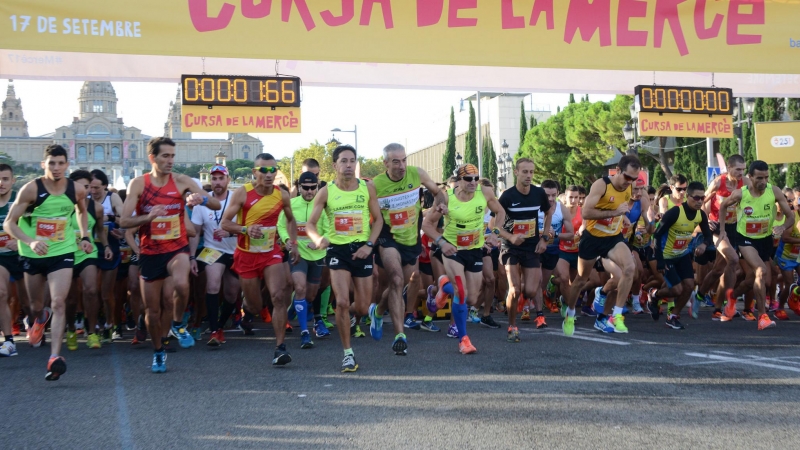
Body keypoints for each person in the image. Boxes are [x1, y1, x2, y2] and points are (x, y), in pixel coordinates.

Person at [120, 137, 221, 373]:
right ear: (152, 158)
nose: (170, 161)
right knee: (152, 312)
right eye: (165, 156)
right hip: (150, 252)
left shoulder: (182, 181)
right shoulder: (138, 184)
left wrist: (201, 199)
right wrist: (148, 217)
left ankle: (177, 324)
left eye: (173, 156)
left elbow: (215, 204)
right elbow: (124, 221)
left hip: (177, 248)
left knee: (181, 283)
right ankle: (158, 351)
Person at [4, 144, 94, 380]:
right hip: (33, 254)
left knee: (58, 302)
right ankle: (37, 319)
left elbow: (82, 212)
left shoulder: (76, 189)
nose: (56, 168)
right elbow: (9, 223)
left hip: (62, 251)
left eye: (61, 163)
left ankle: (54, 357)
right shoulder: (31, 190)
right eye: (51, 163)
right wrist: (31, 241)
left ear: (67, 164)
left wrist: (84, 236)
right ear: (43, 164)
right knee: (35, 305)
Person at [306, 145, 384, 372]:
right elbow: (310, 224)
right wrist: (318, 238)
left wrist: (369, 245)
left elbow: (378, 220)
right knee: (341, 301)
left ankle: (367, 312)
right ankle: (348, 354)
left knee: (360, 307)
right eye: (344, 161)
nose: (349, 165)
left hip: (362, 249)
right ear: (335, 165)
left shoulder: (367, 188)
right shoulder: (326, 191)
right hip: (337, 251)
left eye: (352, 161)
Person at [221, 153, 299, 365]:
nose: (269, 174)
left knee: (279, 296)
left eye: (273, 170)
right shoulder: (242, 193)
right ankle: (248, 308)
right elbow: (225, 224)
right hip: (246, 255)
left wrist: (293, 243)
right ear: (255, 173)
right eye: (263, 170)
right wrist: (245, 229)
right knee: (255, 306)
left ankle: (280, 347)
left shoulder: (281, 195)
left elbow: (291, 220)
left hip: (270, 252)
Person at [371, 143, 447, 355]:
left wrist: (440, 204)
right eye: (396, 161)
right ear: (385, 163)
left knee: (403, 283)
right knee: (395, 279)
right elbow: (372, 217)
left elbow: (439, 193)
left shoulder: (417, 174)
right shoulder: (375, 185)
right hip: (388, 238)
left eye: (404, 160)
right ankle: (399, 335)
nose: (402, 165)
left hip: (411, 240)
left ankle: (378, 311)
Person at [422, 164, 505, 353]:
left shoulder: (484, 193)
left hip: (474, 249)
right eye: (468, 179)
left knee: (471, 297)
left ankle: (443, 287)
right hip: (453, 250)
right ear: (458, 180)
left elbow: (500, 212)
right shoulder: (446, 198)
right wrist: (442, 243)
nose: (473, 182)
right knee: (461, 290)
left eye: (476, 178)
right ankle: (464, 340)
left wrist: (495, 233)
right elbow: (427, 225)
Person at [561, 155, 642, 336]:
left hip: (612, 238)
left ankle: (616, 315)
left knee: (629, 270)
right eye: (627, 177)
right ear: (618, 171)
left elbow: (621, 210)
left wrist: (624, 218)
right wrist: (615, 212)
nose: (629, 182)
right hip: (592, 238)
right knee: (581, 280)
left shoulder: (629, 188)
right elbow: (587, 213)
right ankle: (570, 312)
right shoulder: (601, 185)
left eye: (634, 179)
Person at [719, 160, 795, 330]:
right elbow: (723, 206)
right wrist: (722, 230)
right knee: (761, 271)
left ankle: (732, 298)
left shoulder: (774, 191)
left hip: (765, 239)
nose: (763, 181)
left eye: (766, 177)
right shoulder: (741, 194)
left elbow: (790, 216)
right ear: (750, 177)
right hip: (745, 239)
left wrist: (782, 227)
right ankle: (762, 316)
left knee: (754, 279)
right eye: (759, 178)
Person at [496, 159, 551, 342]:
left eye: (531, 172)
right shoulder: (507, 196)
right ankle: (512, 326)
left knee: (529, 290)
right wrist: (511, 236)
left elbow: (548, 212)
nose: (529, 176)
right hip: (511, 247)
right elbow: (495, 226)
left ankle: (518, 300)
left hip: (531, 246)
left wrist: (544, 237)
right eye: (525, 172)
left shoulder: (538, 193)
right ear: (516, 172)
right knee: (515, 289)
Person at [649, 182, 714, 330]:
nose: (699, 201)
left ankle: (673, 316)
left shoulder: (701, 215)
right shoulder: (675, 213)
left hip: (683, 254)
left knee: (690, 286)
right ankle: (654, 295)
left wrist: (704, 244)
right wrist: (659, 260)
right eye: (696, 198)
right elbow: (657, 235)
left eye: (702, 198)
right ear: (688, 197)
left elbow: (708, 235)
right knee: (677, 290)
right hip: (666, 255)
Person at [189, 164, 240, 347]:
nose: (217, 182)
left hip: (235, 250)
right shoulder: (203, 202)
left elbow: (247, 227)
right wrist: (192, 257)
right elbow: (195, 232)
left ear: (228, 180)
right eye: (214, 179)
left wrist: (230, 233)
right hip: (213, 249)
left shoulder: (237, 199)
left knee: (232, 293)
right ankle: (213, 330)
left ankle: (220, 325)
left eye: (221, 178)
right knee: (212, 285)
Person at [278, 170, 330, 348]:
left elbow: (331, 228)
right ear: (299, 188)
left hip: (317, 255)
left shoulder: (324, 206)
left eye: (312, 188)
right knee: (299, 288)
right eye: (305, 188)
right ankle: (305, 333)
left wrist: (320, 241)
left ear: (318, 186)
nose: (309, 191)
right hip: (297, 255)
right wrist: (288, 241)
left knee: (310, 294)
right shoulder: (291, 204)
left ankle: (295, 307)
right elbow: (281, 225)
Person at [65, 170, 113, 350]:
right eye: (80, 187)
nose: (84, 190)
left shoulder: (96, 208)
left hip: (88, 252)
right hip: (67, 253)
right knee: (70, 299)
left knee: (91, 290)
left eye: (87, 187)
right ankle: (70, 329)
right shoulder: (64, 206)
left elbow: (100, 230)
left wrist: (107, 246)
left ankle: (92, 332)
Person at [699, 154, 749, 320]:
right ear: (729, 168)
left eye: (743, 169)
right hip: (717, 226)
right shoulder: (718, 182)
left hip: (734, 226)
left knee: (719, 269)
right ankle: (729, 303)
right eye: (738, 169)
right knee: (733, 260)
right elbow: (699, 203)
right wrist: (705, 221)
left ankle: (706, 300)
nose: (741, 172)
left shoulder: (746, 183)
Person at [89, 169, 126, 341]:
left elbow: (123, 218)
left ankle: (111, 323)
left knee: (106, 293)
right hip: (90, 249)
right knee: (90, 290)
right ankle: (93, 325)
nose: (93, 191)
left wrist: (108, 217)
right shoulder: (85, 199)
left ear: (105, 186)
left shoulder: (112, 198)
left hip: (109, 248)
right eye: (91, 187)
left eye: (97, 188)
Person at [0, 164, 21, 357]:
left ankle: (38, 319)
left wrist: (20, 239)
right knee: (1, 293)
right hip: (2, 258)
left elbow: (36, 226)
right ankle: (8, 341)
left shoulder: (20, 201)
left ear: (12, 181)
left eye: (5, 179)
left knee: (32, 304)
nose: (1, 183)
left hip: (23, 255)